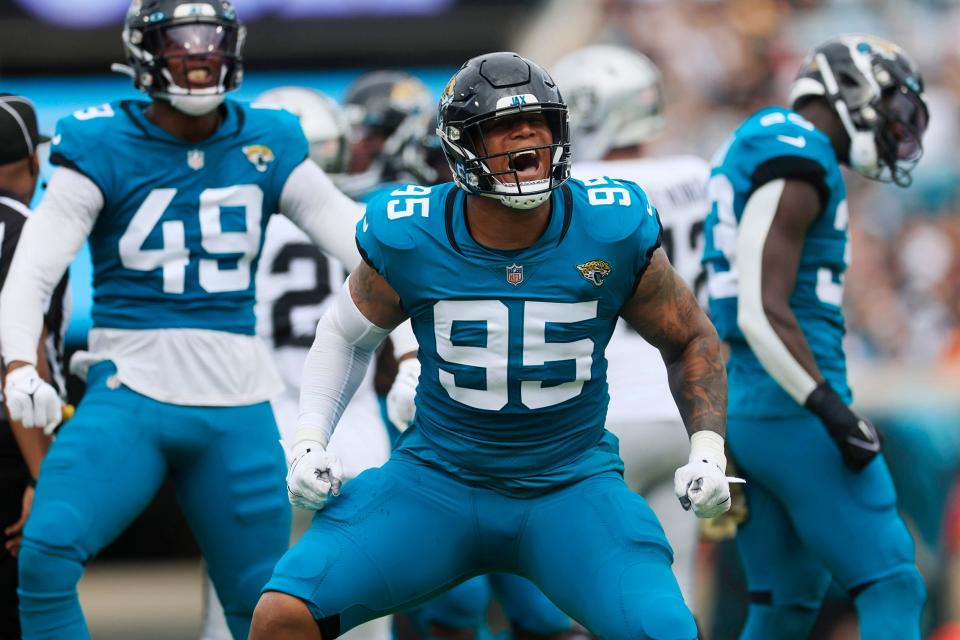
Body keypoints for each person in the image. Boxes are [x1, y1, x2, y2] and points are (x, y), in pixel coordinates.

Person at [251, 51, 734, 640]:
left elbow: (690, 338)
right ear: (462, 145)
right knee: (282, 615)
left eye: (540, 123)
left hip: (570, 483)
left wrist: (709, 449)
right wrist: (308, 439)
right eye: (504, 126)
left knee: (666, 630)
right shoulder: (411, 231)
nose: (527, 136)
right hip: (437, 480)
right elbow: (344, 335)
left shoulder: (611, 224)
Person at [0, 2, 363, 638]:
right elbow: (30, 269)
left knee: (264, 604)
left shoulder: (269, 137)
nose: (198, 57)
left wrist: (421, 332)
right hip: (128, 386)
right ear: (144, 52)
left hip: (236, 396)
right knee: (48, 552)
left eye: (210, 40)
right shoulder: (100, 139)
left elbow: (366, 249)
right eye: (180, 42)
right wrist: (18, 363)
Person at [701, 34, 929, 639]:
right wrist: (827, 406)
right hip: (792, 407)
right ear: (851, 91)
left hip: (751, 403)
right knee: (892, 581)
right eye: (888, 105)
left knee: (784, 603)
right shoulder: (795, 148)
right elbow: (757, 306)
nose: (892, 125)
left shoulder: (769, 143)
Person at [196, 86, 392, 640]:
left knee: (239, 614)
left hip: (257, 440)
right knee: (359, 617)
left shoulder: (229, 228)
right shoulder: (366, 223)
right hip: (355, 436)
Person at [553, 43, 711, 607]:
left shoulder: (575, 190)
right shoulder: (697, 175)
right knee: (673, 590)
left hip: (604, 412)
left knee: (578, 591)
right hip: (688, 412)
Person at [0, 94, 68, 640]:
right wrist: (41, 475)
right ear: (32, 161)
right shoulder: (32, 230)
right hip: (11, 444)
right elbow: (22, 361)